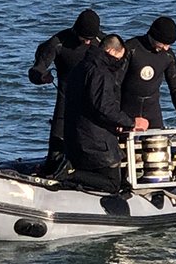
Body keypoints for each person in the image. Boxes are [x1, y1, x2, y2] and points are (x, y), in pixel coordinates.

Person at [62, 34, 149, 193]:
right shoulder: (100, 72)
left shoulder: (80, 67)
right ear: (110, 51)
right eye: (118, 58)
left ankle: (73, 179)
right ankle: (69, 175)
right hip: (95, 144)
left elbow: (90, 105)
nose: (119, 63)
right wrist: (131, 122)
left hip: (75, 137)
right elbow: (104, 107)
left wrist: (116, 123)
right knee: (112, 183)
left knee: (114, 180)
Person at [28, 9, 103, 175]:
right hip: (66, 101)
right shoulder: (58, 42)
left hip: (94, 102)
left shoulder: (101, 41)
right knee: (56, 151)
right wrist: (42, 77)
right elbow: (35, 70)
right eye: (85, 38)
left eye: (91, 38)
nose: (88, 42)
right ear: (76, 31)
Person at [120, 16, 176, 130]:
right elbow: (115, 83)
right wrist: (118, 118)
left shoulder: (168, 56)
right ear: (153, 36)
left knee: (156, 146)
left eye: (169, 45)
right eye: (163, 44)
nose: (166, 48)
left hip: (152, 111)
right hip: (127, 109)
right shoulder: (131, 48)